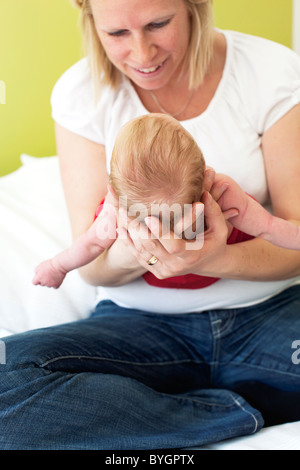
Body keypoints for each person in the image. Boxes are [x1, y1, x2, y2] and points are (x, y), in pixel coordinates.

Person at [1, 0, 300, 450]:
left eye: (159, 24)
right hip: (143, 330)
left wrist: (219, 257)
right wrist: (132, 250)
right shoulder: (82, 94)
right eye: (117, 33)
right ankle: (227, 411)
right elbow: (91, 263)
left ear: (195, 7)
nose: (142, 54)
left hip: (269, 317)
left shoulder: (269, 71)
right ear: (89, 21)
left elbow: (293, 238)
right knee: (8, 379)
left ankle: (141, 410)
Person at [32, 113, 300, 290]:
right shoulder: (222, 190)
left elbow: (89, 245)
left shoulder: (114, 210)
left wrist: (57, 266)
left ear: (113, 190)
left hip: (157, 281)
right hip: (213, 278)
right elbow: (269, 227)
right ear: (206, 174)